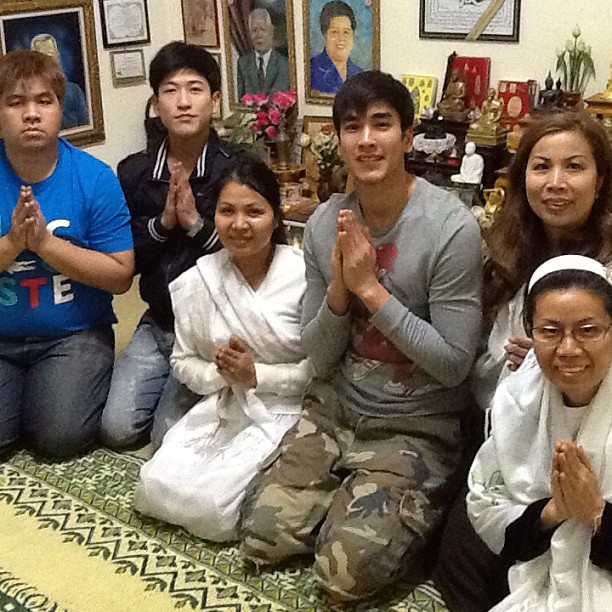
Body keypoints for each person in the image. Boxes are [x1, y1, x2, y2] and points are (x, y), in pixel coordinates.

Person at [240, 71, 483, 601]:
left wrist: (370, 289)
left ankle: (412, 506)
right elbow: (320, 357)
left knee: (342, 576)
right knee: (260, 536)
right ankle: (347, 497)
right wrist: (338, 291)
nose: (367, 140)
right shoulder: (325, 223)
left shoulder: (451, 228)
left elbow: (454, 365)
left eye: (382, 124)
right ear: (338, 138)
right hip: (338, 407)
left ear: (408, 136)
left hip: (415, 424)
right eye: (353, 127)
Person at [434, 111, 612, 611]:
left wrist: (568, 354)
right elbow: (472, 361)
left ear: (600, 180)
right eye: (541, 167)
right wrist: (526, 367)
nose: (556, 183)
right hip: (513, 429)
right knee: (464, 563)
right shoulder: (502, 253)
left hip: (600, 427)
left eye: (574, 166)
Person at [134, 156, 313, 541]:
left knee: (214, 509)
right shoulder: (199, 280)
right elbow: (182, 360)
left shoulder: (303, 276)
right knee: (155, 486)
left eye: (254, 212)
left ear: (276, 218)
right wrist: (221, 373)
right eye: (227, 211)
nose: (239, 224)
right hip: (222, 401)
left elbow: (321, 369)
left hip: (287, 407)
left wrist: (256, 375)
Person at [100, 42, 238, 451]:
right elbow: (126, 260)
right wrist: (161, 225)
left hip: (215, 327)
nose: (183, 102)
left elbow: (254, 256)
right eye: (170, 90)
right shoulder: (135, 172)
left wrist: (196, 226)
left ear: (214, 101)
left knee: (167, 439)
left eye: (195, 89)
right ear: (156, 104)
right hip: (158, 320)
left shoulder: (237, 169)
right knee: (117, 430)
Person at [0, 50, 134, 458]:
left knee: (59, 437)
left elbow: (121, 275)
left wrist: (45, 243)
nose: (32, 114)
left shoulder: (95, 178)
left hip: (75, 334)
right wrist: (14, 242)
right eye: (16, 102)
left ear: (61, 108)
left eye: (44, 101)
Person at [468, 255, 612, 611]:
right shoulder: (516, 402)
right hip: (534, 577)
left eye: (588, 330)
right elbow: (487, 505)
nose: (568, 349)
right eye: (550, 332)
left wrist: (595, 511)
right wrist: (553, 511)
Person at [30, 33, 88, 129]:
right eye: (42, 56)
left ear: (57, 56)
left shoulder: (74, 91)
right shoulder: (26, 95)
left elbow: (85, 126)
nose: (47, 60)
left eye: (50, 54)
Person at [310, 1, 363, 95]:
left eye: (346, 32)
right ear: (325, 34)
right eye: (334, 32)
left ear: (353, 34)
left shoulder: (360, 74)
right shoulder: (311, 69)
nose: (341, 39)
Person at [237, 8, 290, 99]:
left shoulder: (284, 64)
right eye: (254, 30)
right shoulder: (243, 63)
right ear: (249, 34)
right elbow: (241, 99)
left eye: (263, 29)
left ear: (271, 32)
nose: (259, 35)